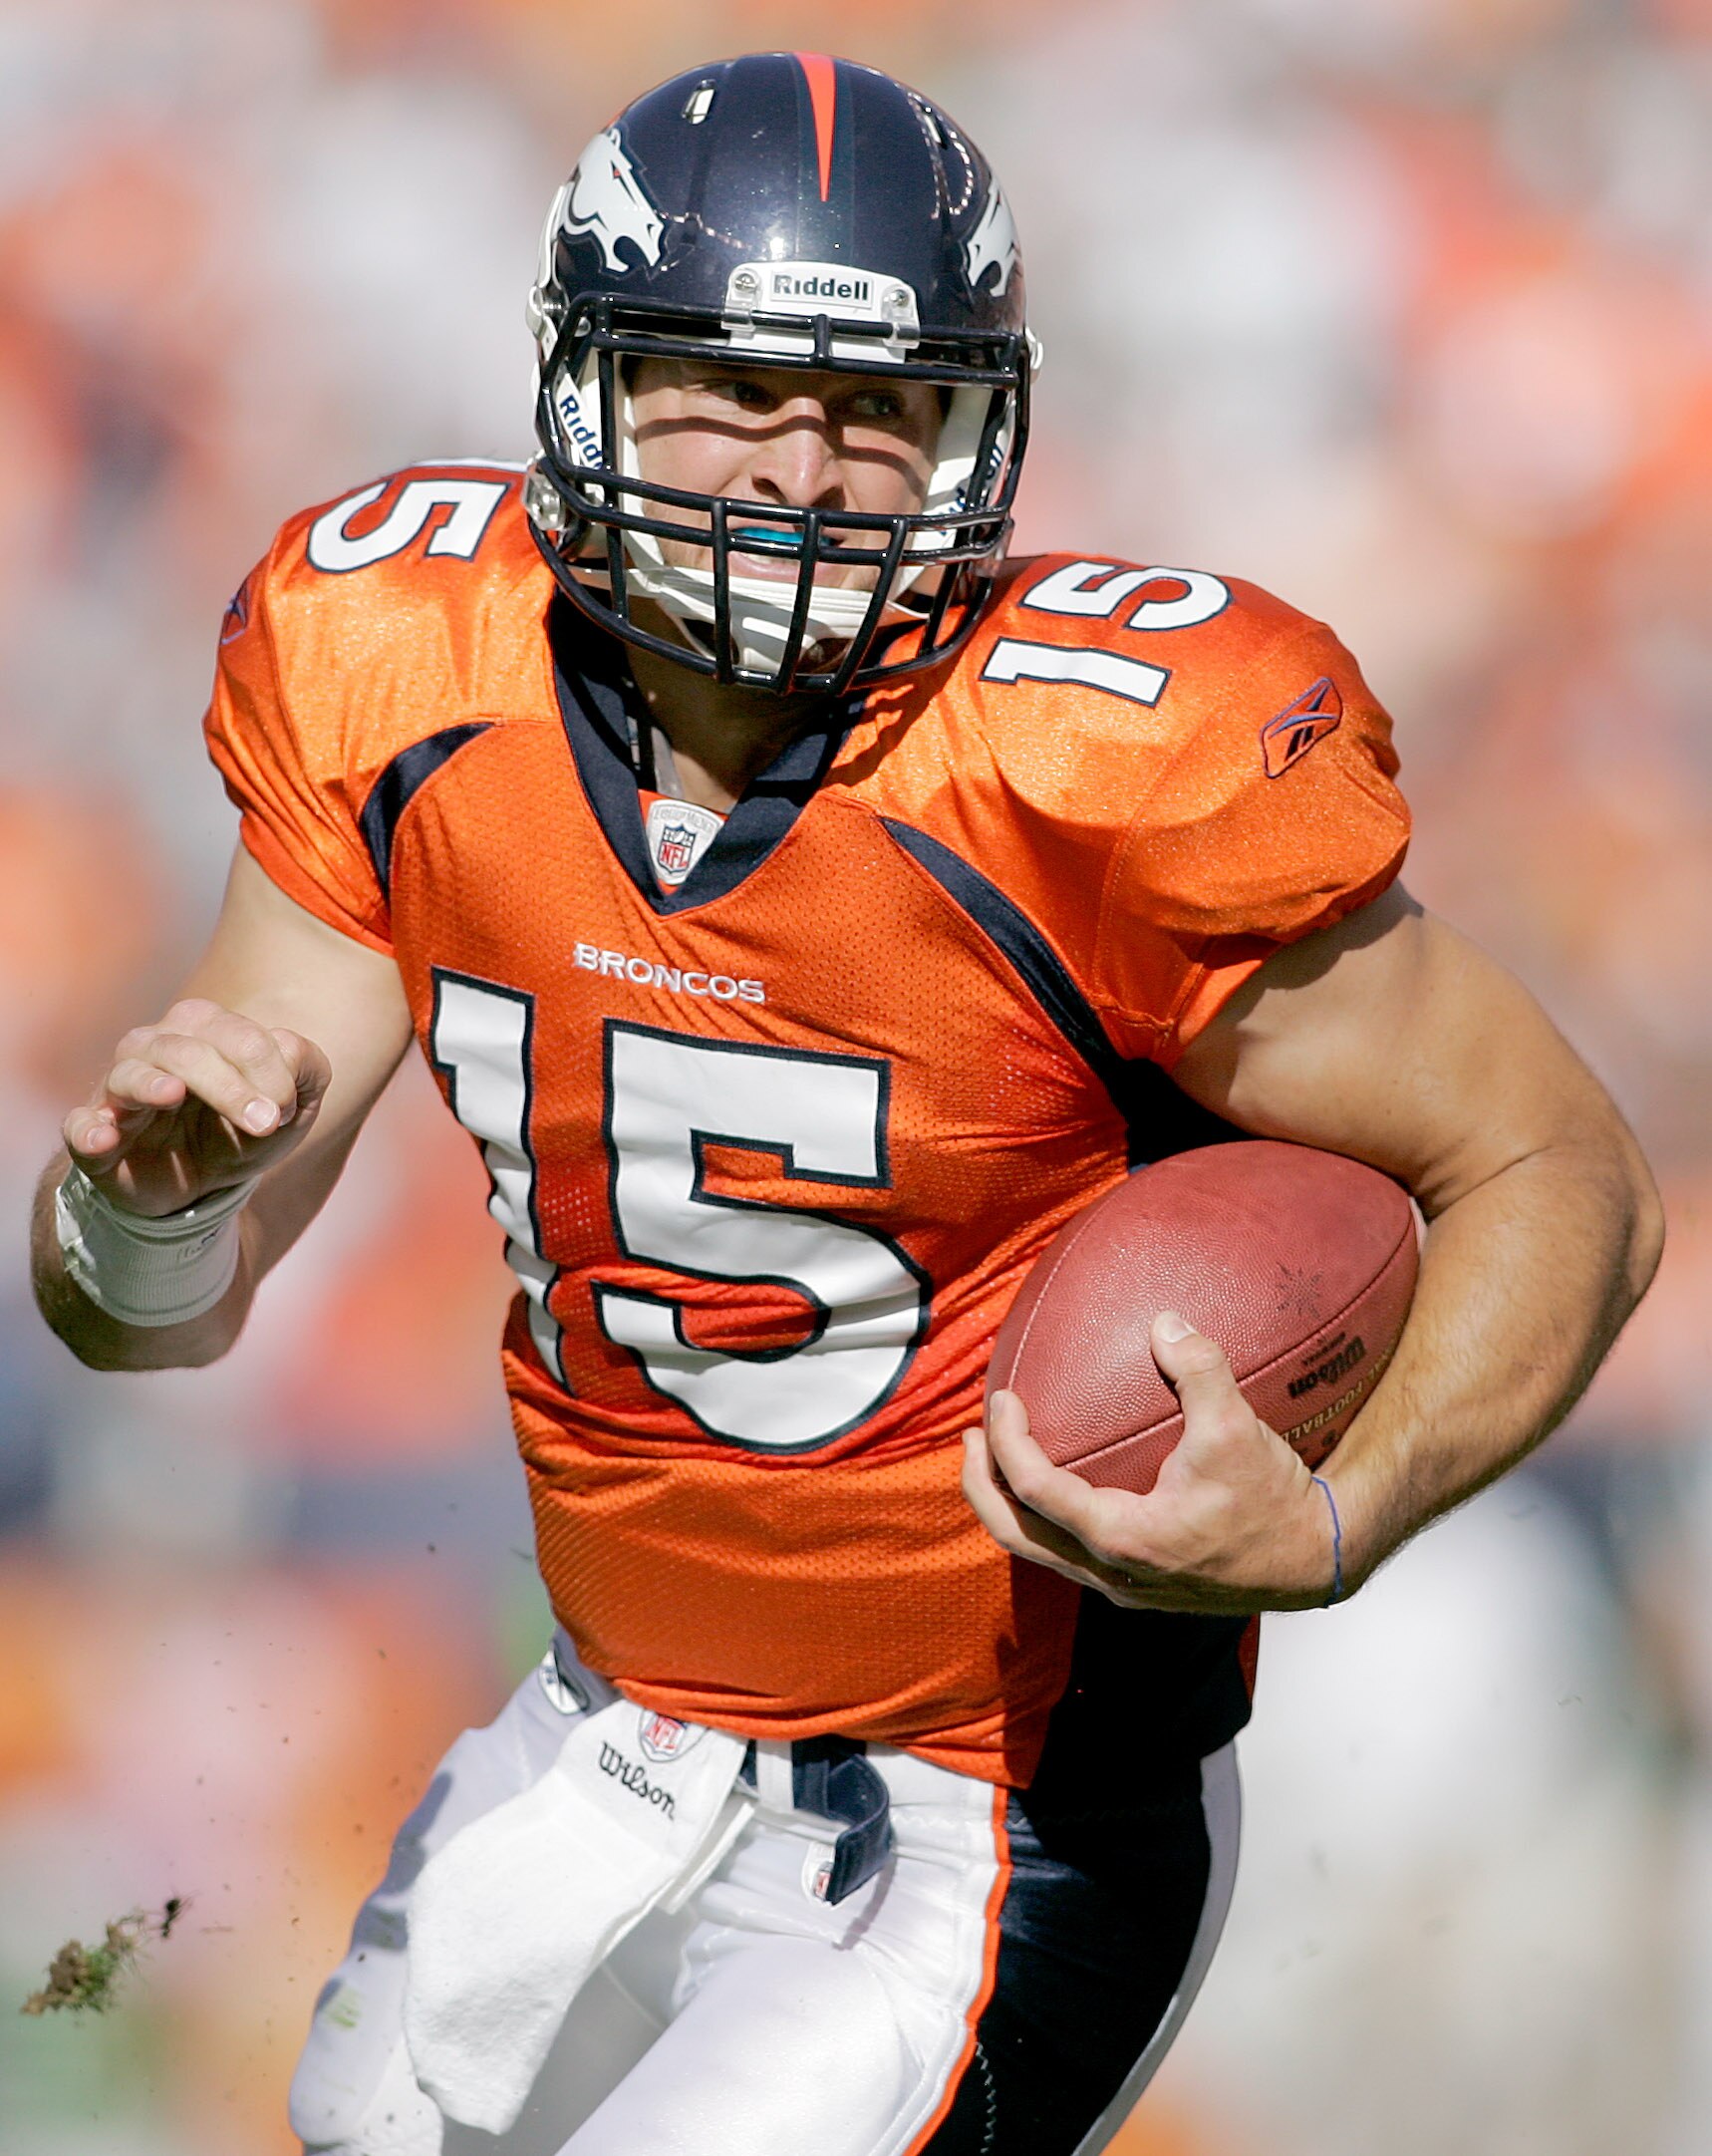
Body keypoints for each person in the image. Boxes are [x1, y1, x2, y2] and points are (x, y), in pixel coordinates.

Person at [30, 50, 1660, 2156]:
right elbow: (149, 1313)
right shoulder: (404, 670)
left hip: (982, 1811)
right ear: (585, 386)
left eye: (878, 411)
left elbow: (1564, 1164)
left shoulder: (1087, 772)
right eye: (730, 389)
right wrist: (150, 1201)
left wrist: (1343, 1511)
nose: (802, 471)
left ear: (976, 433)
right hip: (598, 1737)